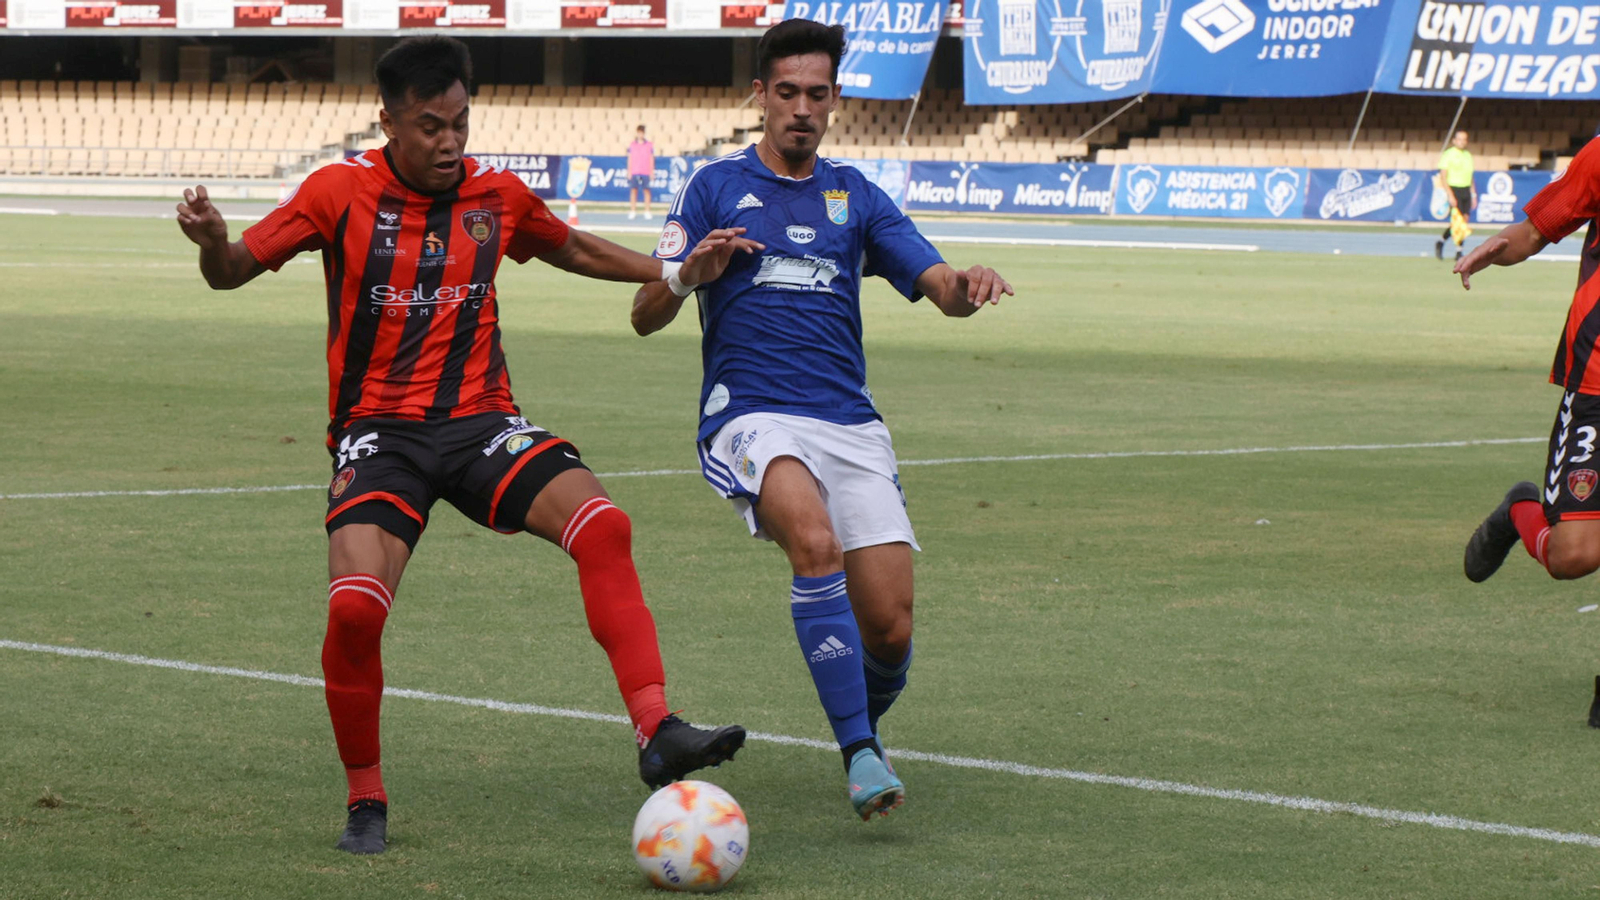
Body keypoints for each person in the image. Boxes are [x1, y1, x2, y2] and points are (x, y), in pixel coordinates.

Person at [174, 36, 745, 856]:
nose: (450, 143)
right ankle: (365, 797)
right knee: (354, 609)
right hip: (381, 437)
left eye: (461, 123)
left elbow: (574, 248)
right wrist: (210, 242)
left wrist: (676, 267)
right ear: (389, 122)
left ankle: (657, 730)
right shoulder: (338, 193)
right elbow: (231, 272)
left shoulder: (496, 195)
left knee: (604, 526)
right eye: (431, 125)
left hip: (483, 424)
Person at [629, 19, 1012, 821]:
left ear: (834, 100)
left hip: (848, 422)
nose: (802, 108)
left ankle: (861, 715)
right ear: (761, 96)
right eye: (788, 92)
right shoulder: (712, 187)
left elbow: (936, 282)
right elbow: (644, 312)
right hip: (750, 417)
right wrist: (687, 276)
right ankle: (859, 753)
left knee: (891, 627)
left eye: (817, 94)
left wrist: (967, 286)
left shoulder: (857, 196)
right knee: (814, 542)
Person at [1437, 130, 1476, 261]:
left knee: (1464, 221)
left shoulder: (1468, 155)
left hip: (1466, 190)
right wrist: (1450, 194)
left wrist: (1473, 194)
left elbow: (1470, 176)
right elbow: (1443, 176)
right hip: (1455, 189)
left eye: (1464, 139)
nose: (1462, 142)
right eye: (1460, 139)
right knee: (1457, 222)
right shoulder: (1448, 154)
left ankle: (1449, 245)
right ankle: (1453, 248)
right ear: (1454, 140)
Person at [628, 125, 654, 221]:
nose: (640, 134)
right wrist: (629, 171)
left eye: (642, 133)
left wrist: (651, 171)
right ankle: (633, 210)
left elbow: (651, 158)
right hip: (635, 170)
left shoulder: (649, 145)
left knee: (646, 191)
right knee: (634, 191)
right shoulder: (632, 145)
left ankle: (647, 211)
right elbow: (630, 158)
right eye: (639, 132)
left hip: (645, 171)